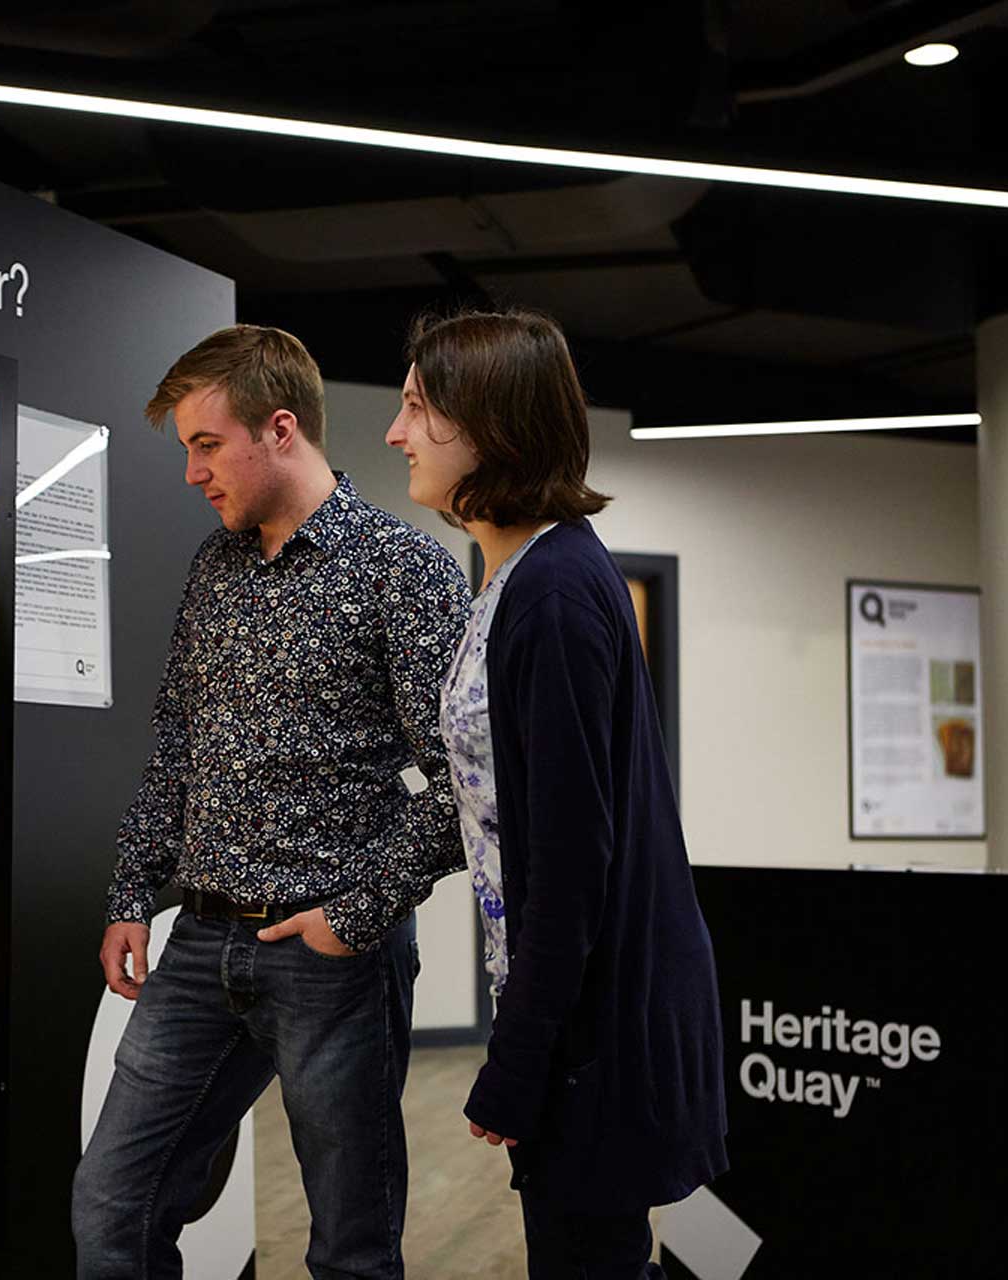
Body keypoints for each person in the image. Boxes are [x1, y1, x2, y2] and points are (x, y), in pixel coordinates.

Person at [73, 325, 471, 1279]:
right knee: (112, 1211)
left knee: (349, 1248)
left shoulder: (401, 570)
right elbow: (177, 740)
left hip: (329, 956)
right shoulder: (216, 569)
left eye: (206, 446)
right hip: (200, 944)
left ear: (280, 429)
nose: (192, 474)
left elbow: (469, 779)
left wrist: (355, 911)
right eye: (186, 452)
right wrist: (133, 892)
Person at [385, 309, 727, 1279]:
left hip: (598, 1024)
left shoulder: (559, 591)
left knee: (591, 1258)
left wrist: (519, 1057)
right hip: (575, 1012)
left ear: (486, 422)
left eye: (416, 406)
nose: (396, 431)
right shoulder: (526, 575)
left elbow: (575, 857)